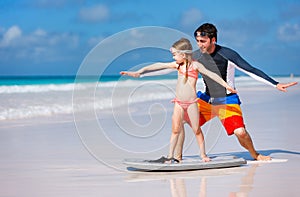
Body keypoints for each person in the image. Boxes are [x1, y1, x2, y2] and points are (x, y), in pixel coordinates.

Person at [174, 23, 298, 161]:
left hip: (227, 101)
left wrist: (275, 84)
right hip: (206, 99)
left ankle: (255, 155)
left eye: (203, 41)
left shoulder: (227, 55)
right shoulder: (196, 57)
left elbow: (251, 70)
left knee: (240, 132)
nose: (199, 45)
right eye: (197, 41)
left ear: (213, 40)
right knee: (179, 121)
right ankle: (177, 158)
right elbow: (177, 66)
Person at [120, 38, 237, 163]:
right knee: (175, 130)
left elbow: (211, 74)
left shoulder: (196, 65)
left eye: (175, 55)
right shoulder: (177, 66)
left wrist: (226, 86)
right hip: (179, 103)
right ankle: (170, 156)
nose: (174, 58)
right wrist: (139, 72)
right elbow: (159, 65)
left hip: (191, 103)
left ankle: (203, 155)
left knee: (196, 130)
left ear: (184, 54)